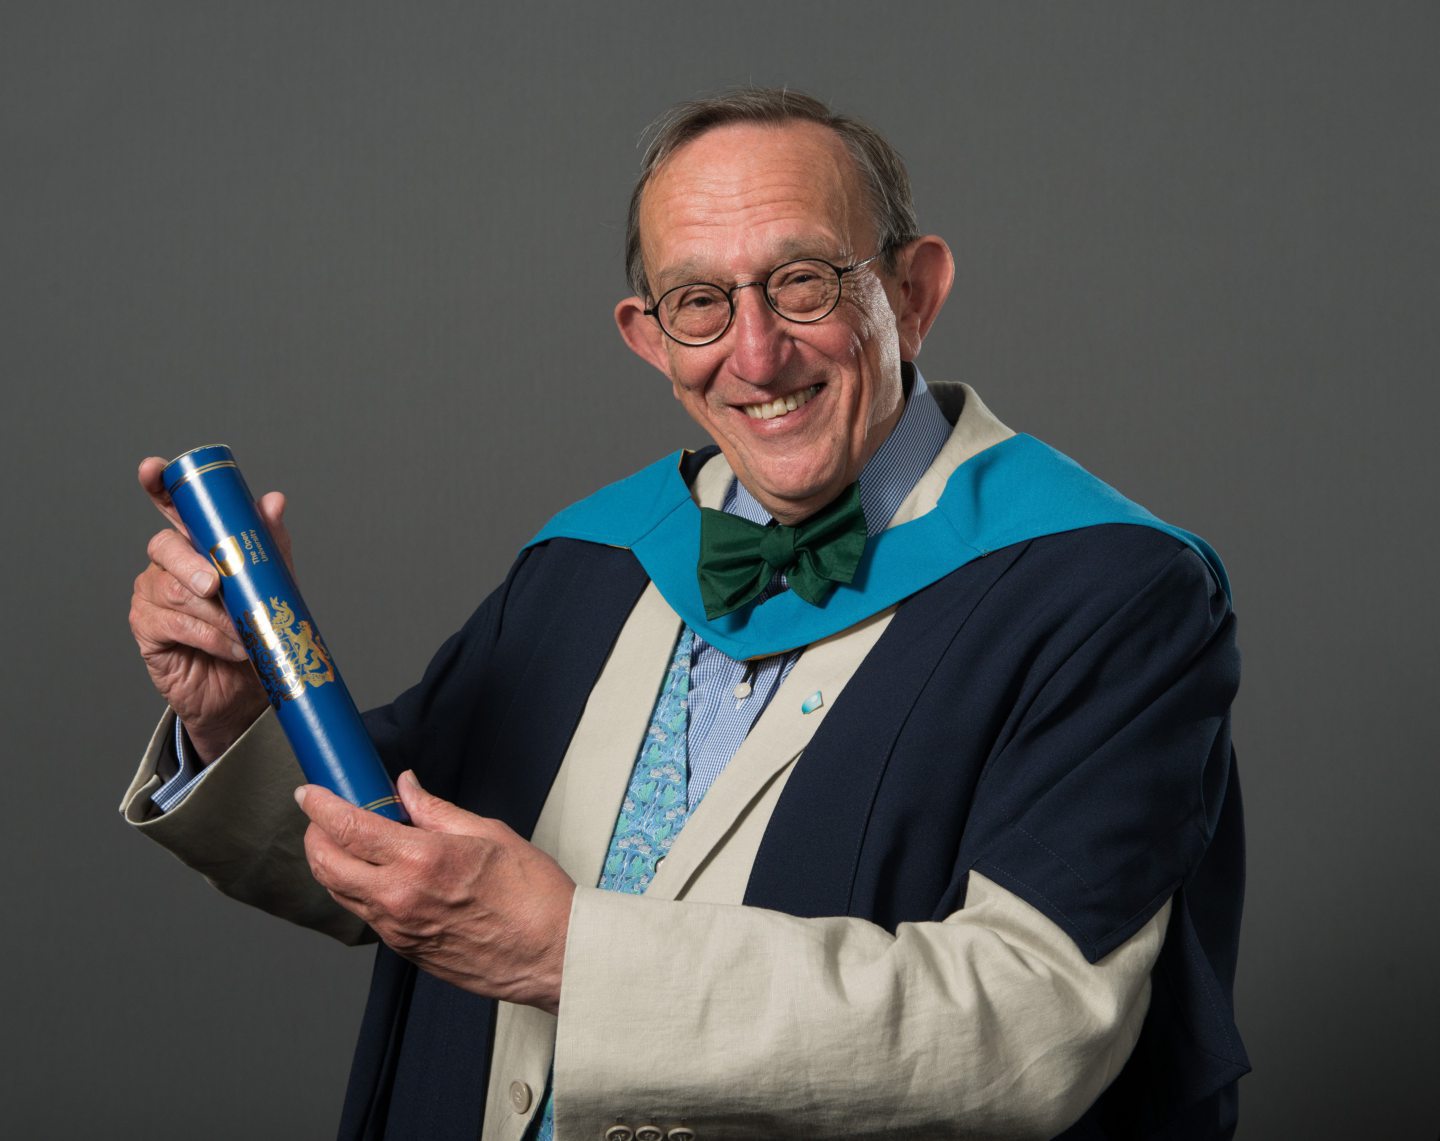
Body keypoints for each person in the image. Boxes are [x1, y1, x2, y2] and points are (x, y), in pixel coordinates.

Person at [123, 89, 1247, 1140]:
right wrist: (232, 718)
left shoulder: (1107, 592)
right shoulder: (590, 559)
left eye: (805, 282)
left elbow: (1032, 1026)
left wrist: (573, 953)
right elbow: (390, 858)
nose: (755, 354)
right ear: (649, 335)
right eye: (700, 303)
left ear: (914, 292)